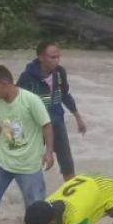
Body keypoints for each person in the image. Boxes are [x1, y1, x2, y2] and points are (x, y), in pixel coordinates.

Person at [0, 65, 54, 223]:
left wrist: (49, 152)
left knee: (36, 205)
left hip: (28, 163)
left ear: (4, 84)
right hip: (3, 160)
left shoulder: (30, 100)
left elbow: (47, 125)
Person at [17, 42, 87, 181]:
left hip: (56, 123)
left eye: (58, 57)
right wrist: (16, 135)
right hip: (35, 127)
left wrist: (78, 117)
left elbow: (65, 95)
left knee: (67, 163)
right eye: (52, 57)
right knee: (28, 163)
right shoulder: (27, 78)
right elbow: (15, 104)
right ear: (41, 57)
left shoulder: (59, 73)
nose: (56, 60)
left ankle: (72, 196)